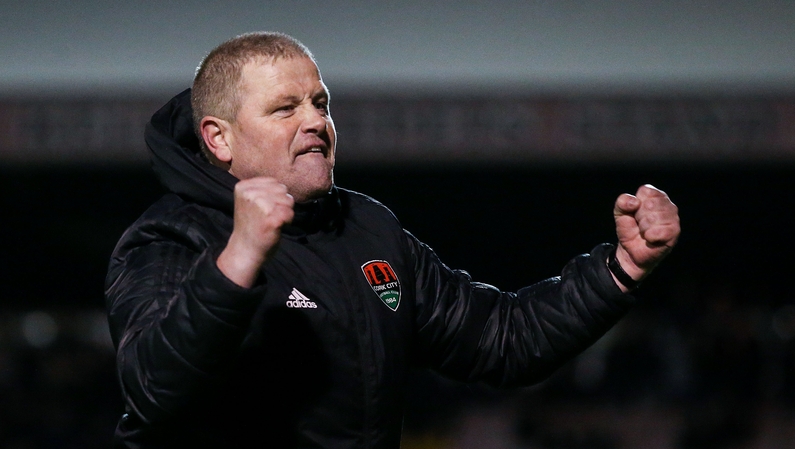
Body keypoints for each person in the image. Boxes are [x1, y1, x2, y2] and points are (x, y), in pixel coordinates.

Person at [105, 31, 680, 449]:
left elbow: (502, 339)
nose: (316, 121)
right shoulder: (168, 238)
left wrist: (622, 268)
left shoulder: (367, 228)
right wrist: (239, 259)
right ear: (219, 139)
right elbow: (154, 392)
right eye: (285, 108)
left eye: (320, 103)